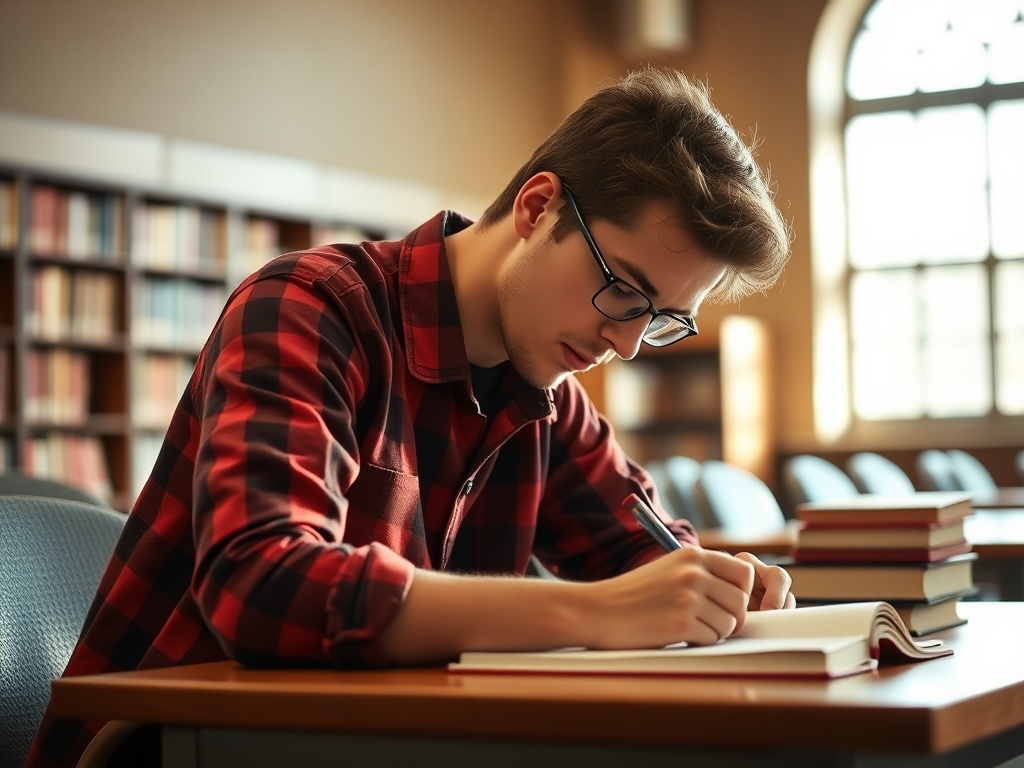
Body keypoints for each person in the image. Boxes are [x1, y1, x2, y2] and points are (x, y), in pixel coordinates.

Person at [27, 66, 793, 767]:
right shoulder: (311, 306)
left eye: (660, 319)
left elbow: (650, 559)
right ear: (538, 207)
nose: (625, 343)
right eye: (624, 291)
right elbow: (259, 586)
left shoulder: (549, 394)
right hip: (170, 751)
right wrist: (590, 612)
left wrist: (716, 592)